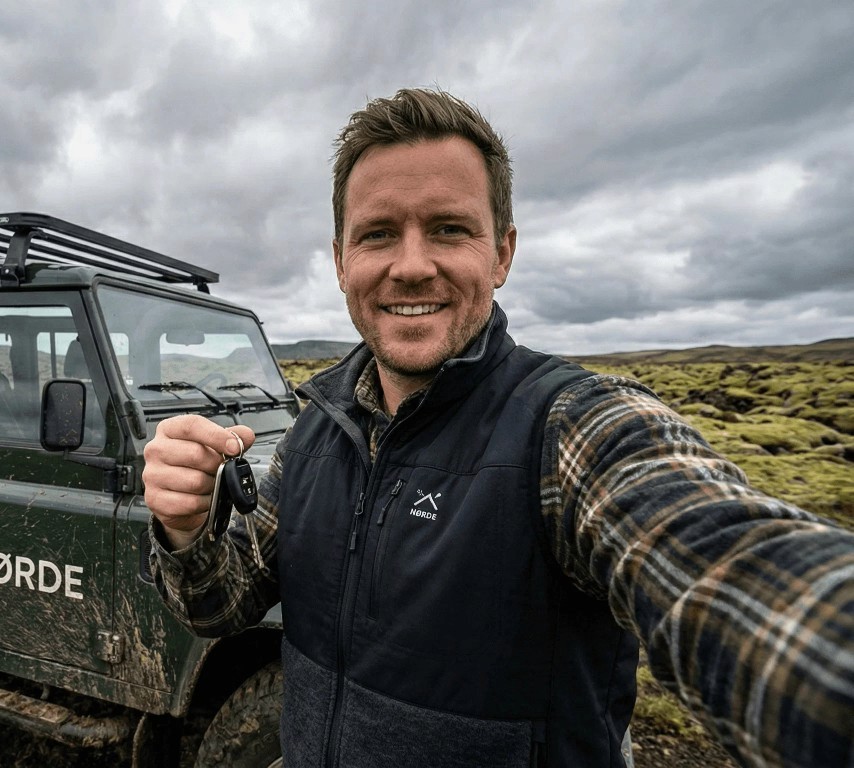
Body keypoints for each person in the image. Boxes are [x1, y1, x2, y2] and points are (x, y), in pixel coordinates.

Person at [144, 88, 854, 768]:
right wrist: (185, 530)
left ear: (502, 253)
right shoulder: (315, 435)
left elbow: (732, 575)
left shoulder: (572, 430)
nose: (412, 265)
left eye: (449, 229)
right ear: (340, 261)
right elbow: (218, 603)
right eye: (379, 234)